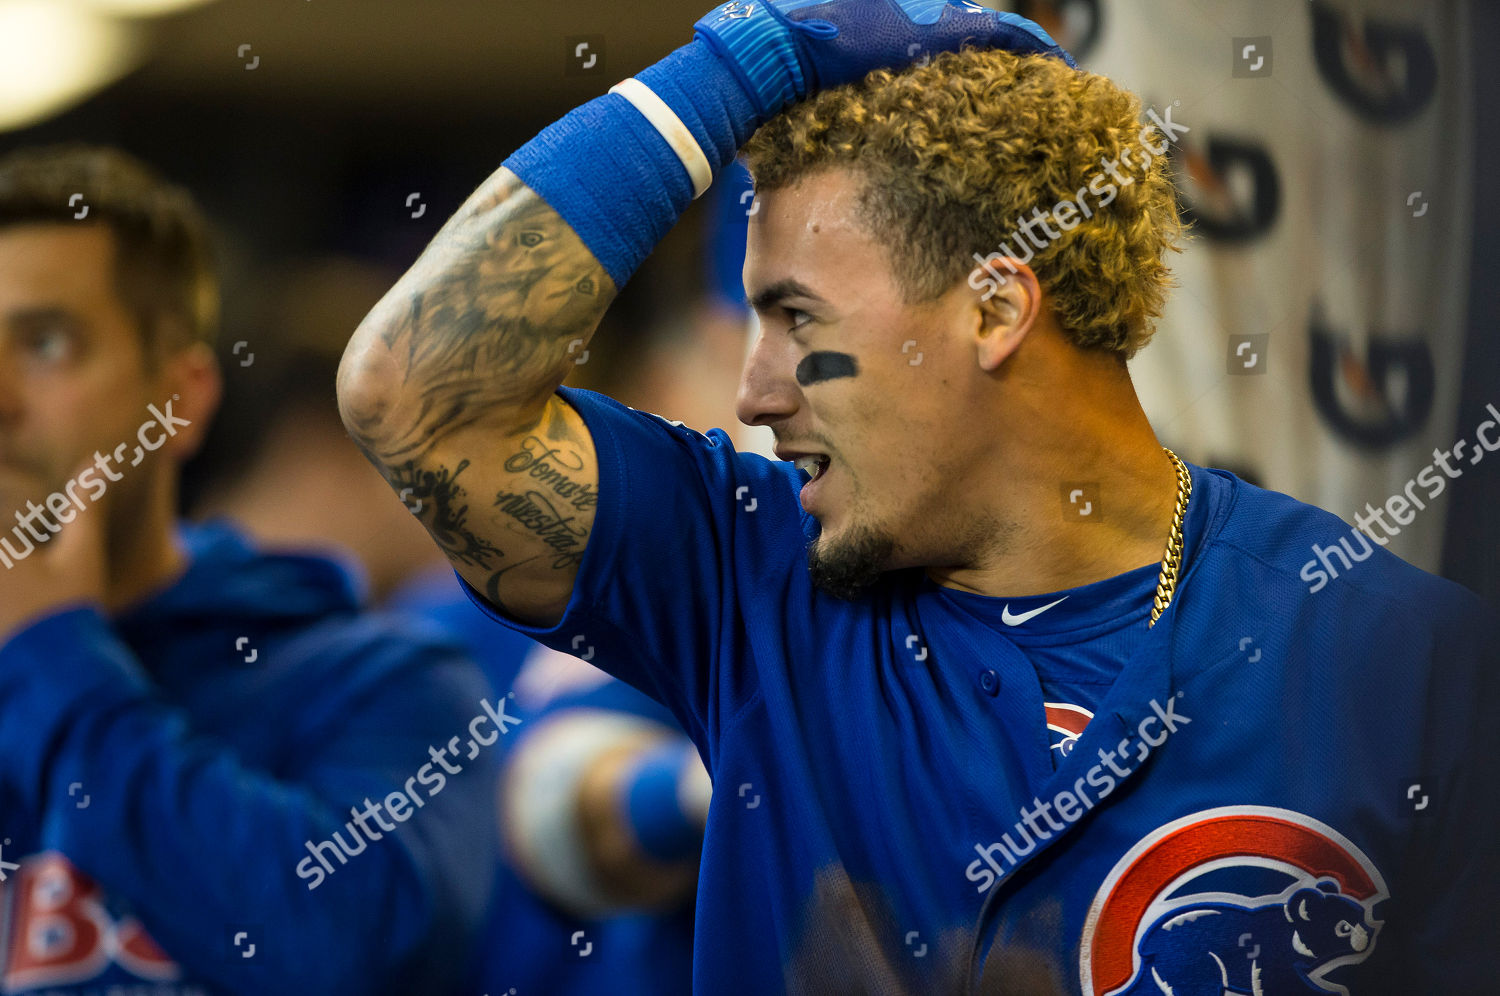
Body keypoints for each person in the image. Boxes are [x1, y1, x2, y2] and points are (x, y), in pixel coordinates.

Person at [337, 2, 1498, 993]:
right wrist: (747, 58)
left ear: (994, 310)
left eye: (797, 319)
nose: (751, 392)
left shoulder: (1406, 664)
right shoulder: (751, 584)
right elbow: (412, 392)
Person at [0, 144, 498, 995]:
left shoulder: (381, 683)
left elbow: (354, 954)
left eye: (45, 342)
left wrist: (51, 654)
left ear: (181, 399)